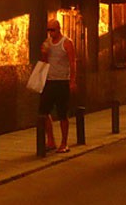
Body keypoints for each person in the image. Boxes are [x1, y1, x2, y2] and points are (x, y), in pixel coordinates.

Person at [40, 18, 77, 153]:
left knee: (62, 114)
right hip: (49, 81)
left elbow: (72, 62)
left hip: (62, 81)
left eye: (52, 30)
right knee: (43, 112)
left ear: (58, 29)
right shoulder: (47, 43)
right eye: (48, 30)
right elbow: (44, 61)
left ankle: (64, 143)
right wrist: (44, 53)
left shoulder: (66, 43)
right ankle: (51, 140)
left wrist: (72, 80)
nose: (50, 33)